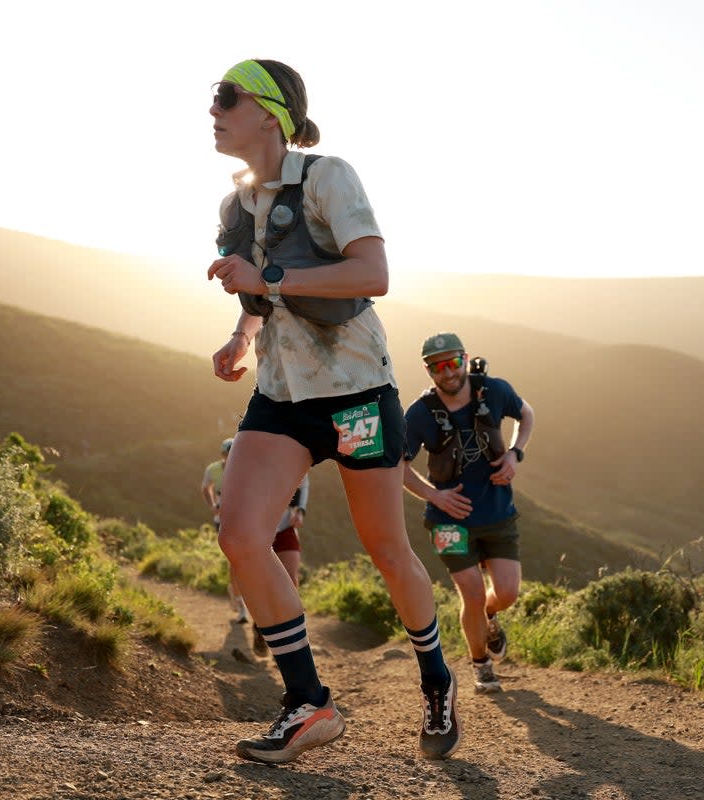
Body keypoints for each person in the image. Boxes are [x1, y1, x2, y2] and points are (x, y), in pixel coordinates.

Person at [204, 58, 459, 764]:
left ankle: (436, 680)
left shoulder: (327, 176)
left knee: (386, 549)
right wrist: (238, 336)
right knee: (240, 533)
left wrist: (270, 277)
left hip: (353, 394)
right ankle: (308, 701)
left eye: (227, 96)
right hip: (282, 396)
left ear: (271, 112)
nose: (213, 109)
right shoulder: (235, 207)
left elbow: (372, 274)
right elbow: (259, 303)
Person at [402, 332, 536, 694]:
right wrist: (435, 496)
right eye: (437, 366)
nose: (447, 372)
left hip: (497, 512)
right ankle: (481, 664)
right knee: (472, 596)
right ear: (429, 371)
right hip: (448, 521)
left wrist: (514, 454)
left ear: (465, 358)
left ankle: (489, 617)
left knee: (506, 593)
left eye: (453, 362)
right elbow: (397, 465)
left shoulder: (493, 391)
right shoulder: (419, 414)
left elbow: (526, 414)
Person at [253, 472, 310, 657]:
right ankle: (261, 627)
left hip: (286, 528)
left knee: (291, 580)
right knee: (262, 583)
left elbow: (304, 482)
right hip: (259, 529)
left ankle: (288, 636)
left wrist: (300, 510)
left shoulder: (296, 453)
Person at [200, 437, 249, 622]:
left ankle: (238, 595)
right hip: (222, 519)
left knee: (243, 560)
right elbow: (206, 488)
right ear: (222, 455)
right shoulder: (212, 470)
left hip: (241, 518)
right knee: (235, 561)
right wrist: (213, 505)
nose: (230, 458)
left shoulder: (244, 469)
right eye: (227, 454)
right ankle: (241, 605)